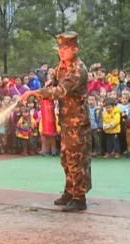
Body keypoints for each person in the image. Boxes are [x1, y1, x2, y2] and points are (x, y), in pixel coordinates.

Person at [22, 31, 91, 212]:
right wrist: (47, 83)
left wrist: (35, 93)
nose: (61, 51)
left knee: (77, 159)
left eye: (65, 48)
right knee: (66, 158)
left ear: (75, 49)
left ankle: (79, 197)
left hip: (77, 122)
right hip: (66, 120)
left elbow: (60, 91)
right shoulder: (62, 66)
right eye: (59, 48)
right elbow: (53, 82)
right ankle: (69, 192)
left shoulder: (78, 70)